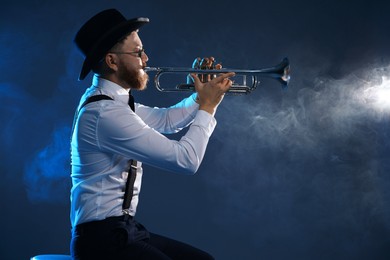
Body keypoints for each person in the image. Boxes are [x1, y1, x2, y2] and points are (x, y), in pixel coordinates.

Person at [70, 8, 234, 259]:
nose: (146, 59)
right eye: (137, 53)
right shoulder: (105, 113)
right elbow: (186, 160)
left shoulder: (115, 103)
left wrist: (202, 96)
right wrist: (208, 107)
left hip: (123, 231)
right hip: (101, 241)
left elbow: (167, 120)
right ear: (112, 61)